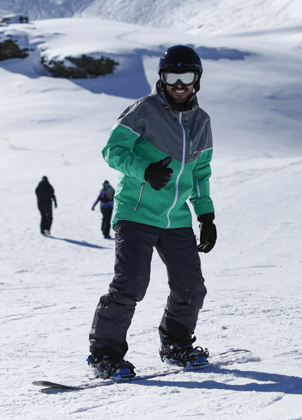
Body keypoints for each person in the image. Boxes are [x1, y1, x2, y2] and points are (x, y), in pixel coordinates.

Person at [87, 45, 217, 380]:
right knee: (130, 284)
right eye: (172, 76)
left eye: (186, 76)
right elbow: (112, 150)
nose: (178, 84)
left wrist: (205, 215)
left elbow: (201, 172)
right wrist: (143, 169)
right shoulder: (143, 110)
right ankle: (105, 355)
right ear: (162, 78)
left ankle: (176, 345)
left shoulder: (202, 122)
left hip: (176, 220)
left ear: (196, 80)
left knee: (191, 287)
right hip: (136, 213)